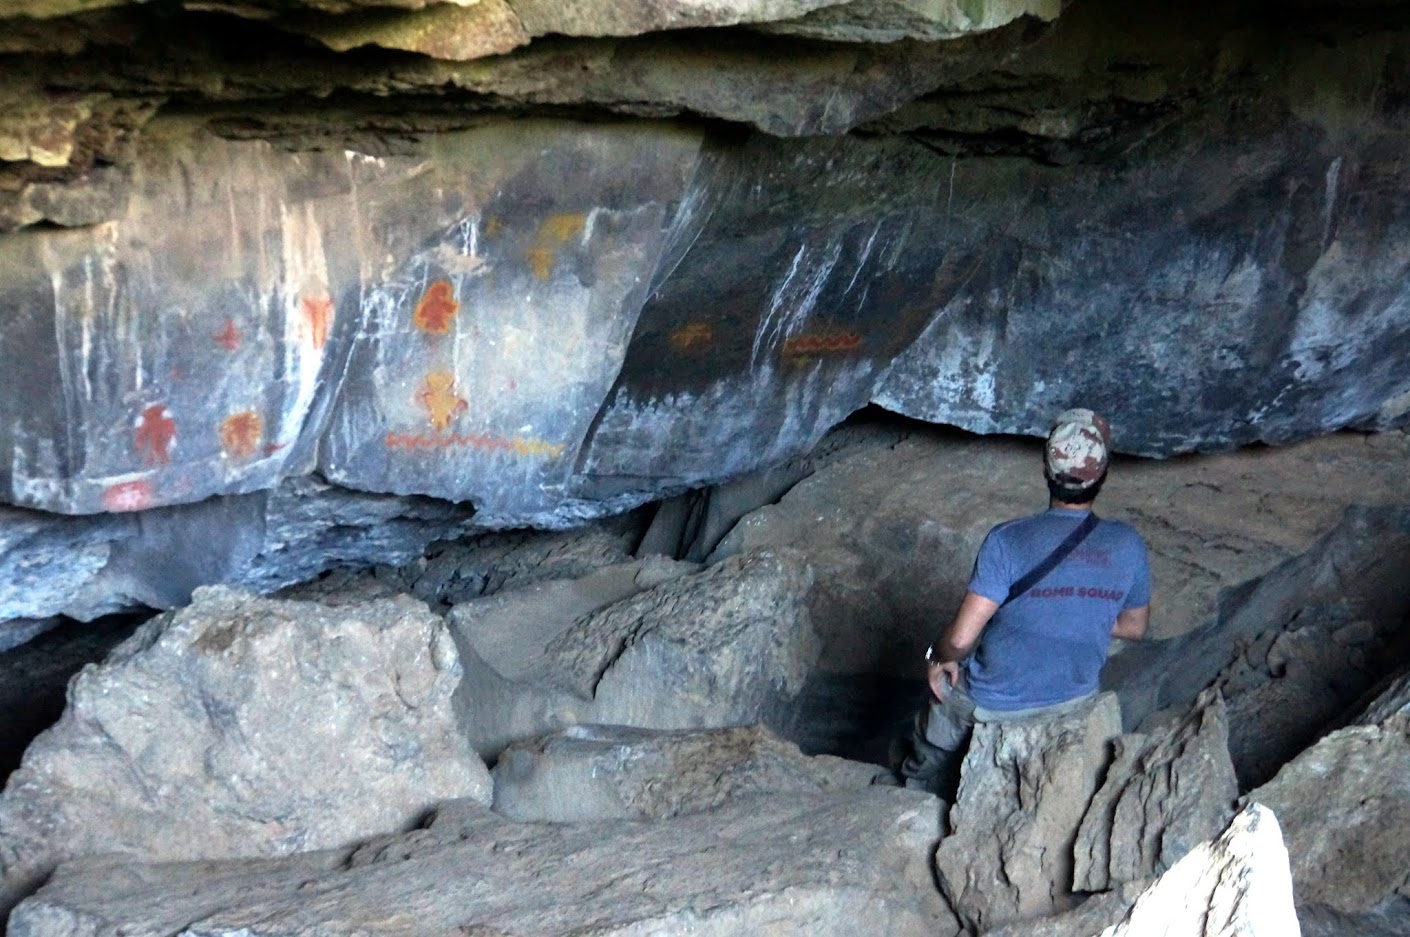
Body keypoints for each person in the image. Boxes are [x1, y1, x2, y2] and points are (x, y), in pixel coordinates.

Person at [895, 408, 1151, 800]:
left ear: (1047, 471)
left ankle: (909, 786)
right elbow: (1134, 627)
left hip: (994, 701)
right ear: (1102, 477)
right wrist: (1082, 610)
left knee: (935, 723)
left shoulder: (1008, 541)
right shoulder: (1127, 544)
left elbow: (961, 641)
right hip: (1074, 700)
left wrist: (936, 656)